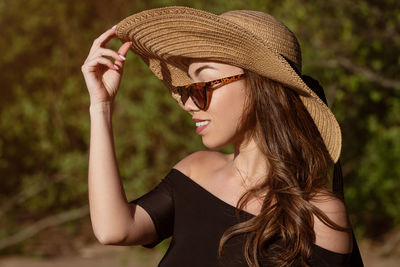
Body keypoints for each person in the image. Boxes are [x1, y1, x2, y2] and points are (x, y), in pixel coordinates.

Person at [81, 6, 363, 267]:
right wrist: (101, 106)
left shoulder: (317, 216)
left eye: (203, 84)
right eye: (188, 89)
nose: (189, 103)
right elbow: (114, 229)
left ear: (259, 85)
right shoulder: (195, 171)